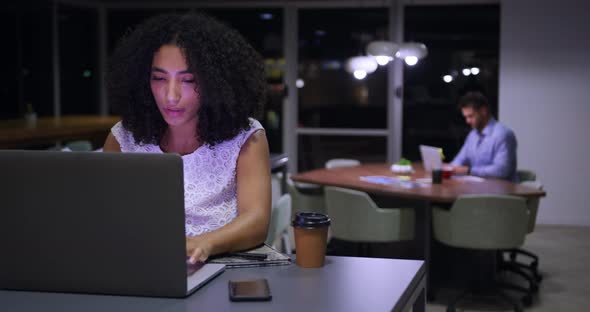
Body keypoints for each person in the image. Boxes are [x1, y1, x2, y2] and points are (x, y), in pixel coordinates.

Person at [102, 13, 271, 264]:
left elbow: (256, 222)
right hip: (139, 265)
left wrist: (204, 243)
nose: (171, 95)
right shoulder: (123, 137)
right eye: (158, 78)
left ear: (216, 82)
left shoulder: (245, 137)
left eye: (189, 80)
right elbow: (103, 217)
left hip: (220, 268)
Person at [450, 91, 518, 181]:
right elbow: (460, 160)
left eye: (470, 116)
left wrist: (469, 170)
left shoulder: (503, 134)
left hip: (502, 191)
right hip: (478, 188)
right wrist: (449, 168)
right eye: (465, 117)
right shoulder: (472, 135)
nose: (467, 121)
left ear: (483, 111)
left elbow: (502, 170)